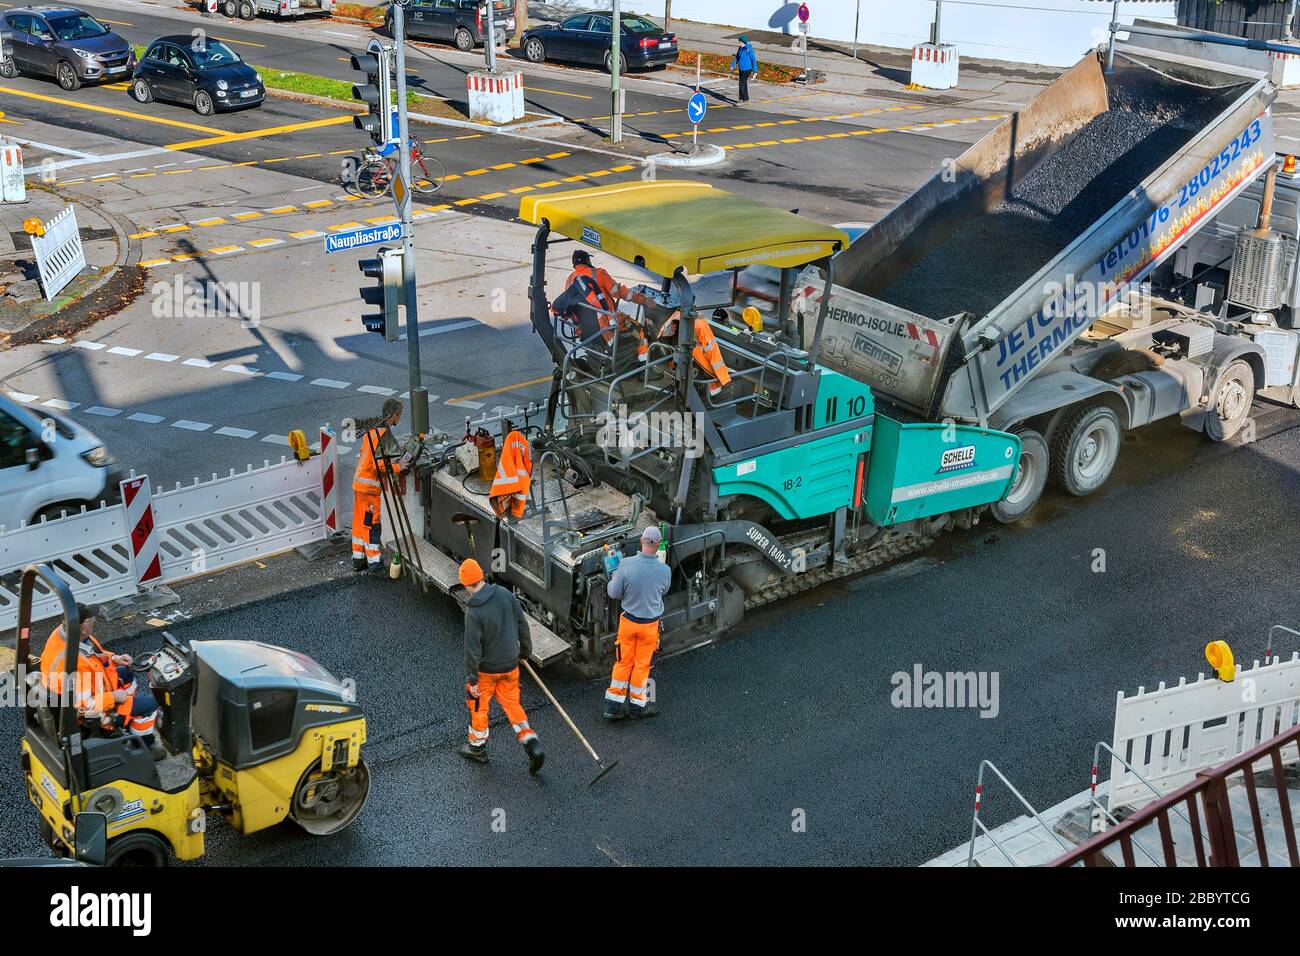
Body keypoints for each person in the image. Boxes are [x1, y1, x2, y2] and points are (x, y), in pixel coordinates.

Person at [39, 604, 164, 759]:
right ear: (83, 627)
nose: (94, 623)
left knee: (125, 672)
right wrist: (115, 697)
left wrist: (115, 658)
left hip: (91, 689)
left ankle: (128, 719)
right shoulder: (74, 664)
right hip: (91, 715)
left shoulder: (66, 634)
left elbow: (94, 654)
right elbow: (87, 706)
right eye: (92, 621)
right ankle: (144, 746)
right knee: (150, 706)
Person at [458, 559, 545, 773]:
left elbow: (472, 649)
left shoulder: (474, 612)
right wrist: (525, 651)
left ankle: (477, 747)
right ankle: (530, 741)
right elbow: (522, 624)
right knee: (512, 704)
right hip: (510, 665)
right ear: (482, 576)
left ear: (467, 585)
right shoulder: (505, 594)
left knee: (479, 705)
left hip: (487, 671)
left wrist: (472, 678)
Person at [603, 526, 672, 720]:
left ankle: (612, 707)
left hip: (628, 623)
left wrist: (614, 579)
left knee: (623, 662)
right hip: (650, 627)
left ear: (642, 540)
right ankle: (637, 708)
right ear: (658, 544)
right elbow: (663, 591)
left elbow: (613, 593)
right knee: (642, 666)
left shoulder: (626, 564)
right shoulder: (664, 571)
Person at [351, 399, 404, 576]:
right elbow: (378, 465)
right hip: (370, 489)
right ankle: (375, 565)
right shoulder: (384, 434)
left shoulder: (372, 429)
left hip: (360, 483)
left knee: (359, 524)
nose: (399, 419)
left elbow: (370, 457)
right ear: (394, 415)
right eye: (399, 415)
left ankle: (358, 560)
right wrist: (398, 467)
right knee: (372, 526)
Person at [551, 249, 642, 344]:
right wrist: (643, 300)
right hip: (610, 324)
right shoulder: (598, 273)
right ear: (587, 260)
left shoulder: (569, 280)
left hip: (585, 330)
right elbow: (619, 292)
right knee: (640, 331)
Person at [656, 310, 733, 398]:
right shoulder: (699, 322)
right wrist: (724, 378)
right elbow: (712, 351)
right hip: (696, 366)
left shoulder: (675, 315)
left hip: (679, 361)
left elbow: (664, 336)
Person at [730, 35, 757, 104]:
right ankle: (744, 99)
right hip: (741, 68)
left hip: (748, 69)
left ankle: (743, 99)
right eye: (739, 42)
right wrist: (732, 65)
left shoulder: (749, 49)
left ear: (744, 42)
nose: (739, 44)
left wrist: (755, 71)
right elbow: (737, 58)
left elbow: (753, 59)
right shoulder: (740, 48)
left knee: (741, 83)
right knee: (742, 83)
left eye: (741, 43)